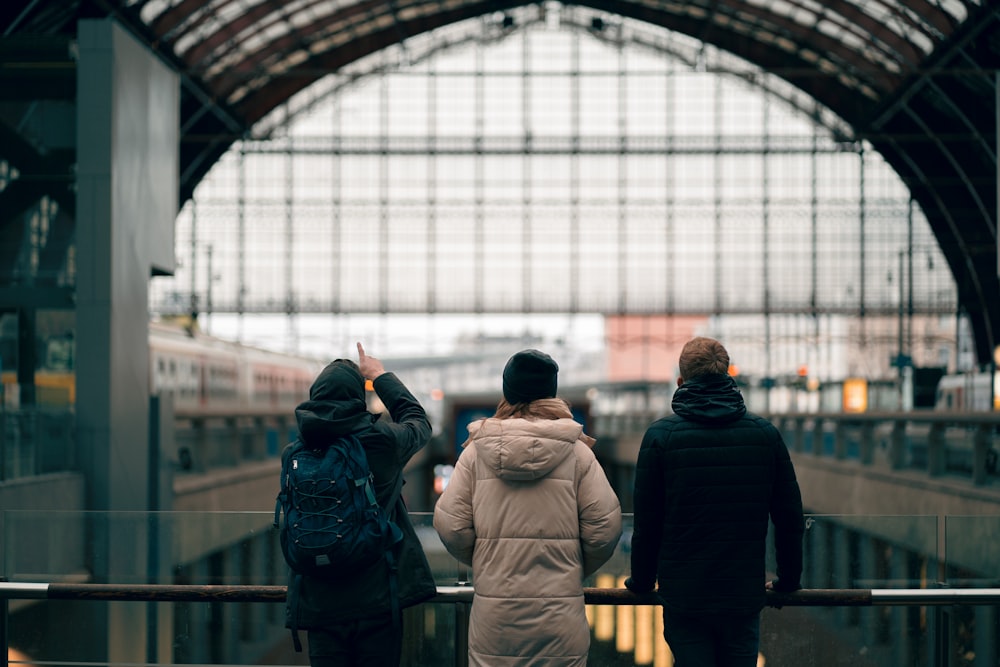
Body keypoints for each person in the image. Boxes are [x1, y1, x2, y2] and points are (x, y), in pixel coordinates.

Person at [434, 349, 623, 667]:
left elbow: (451, 525)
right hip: (560, 621)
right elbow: (604, 529)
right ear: (552, 391)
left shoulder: (475, 454)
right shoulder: (578, 454)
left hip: (495, 621)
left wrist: (488, 560)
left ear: (507, 390)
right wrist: (569, 566)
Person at [625, 336, 805, 667]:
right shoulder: (764, 434)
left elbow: (647, 524)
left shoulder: (661, 437)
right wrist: (788, 581)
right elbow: (789, 518)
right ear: (727, 377)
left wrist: (641, 581)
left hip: (684, 597)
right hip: (742, 595)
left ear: (681, 382)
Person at [285, 342, 437, 667]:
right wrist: (379, 375)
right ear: (358, 398)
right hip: (376, 599)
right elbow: (419, 422)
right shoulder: (380, 441)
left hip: (318, 603)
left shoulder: (295, 453)